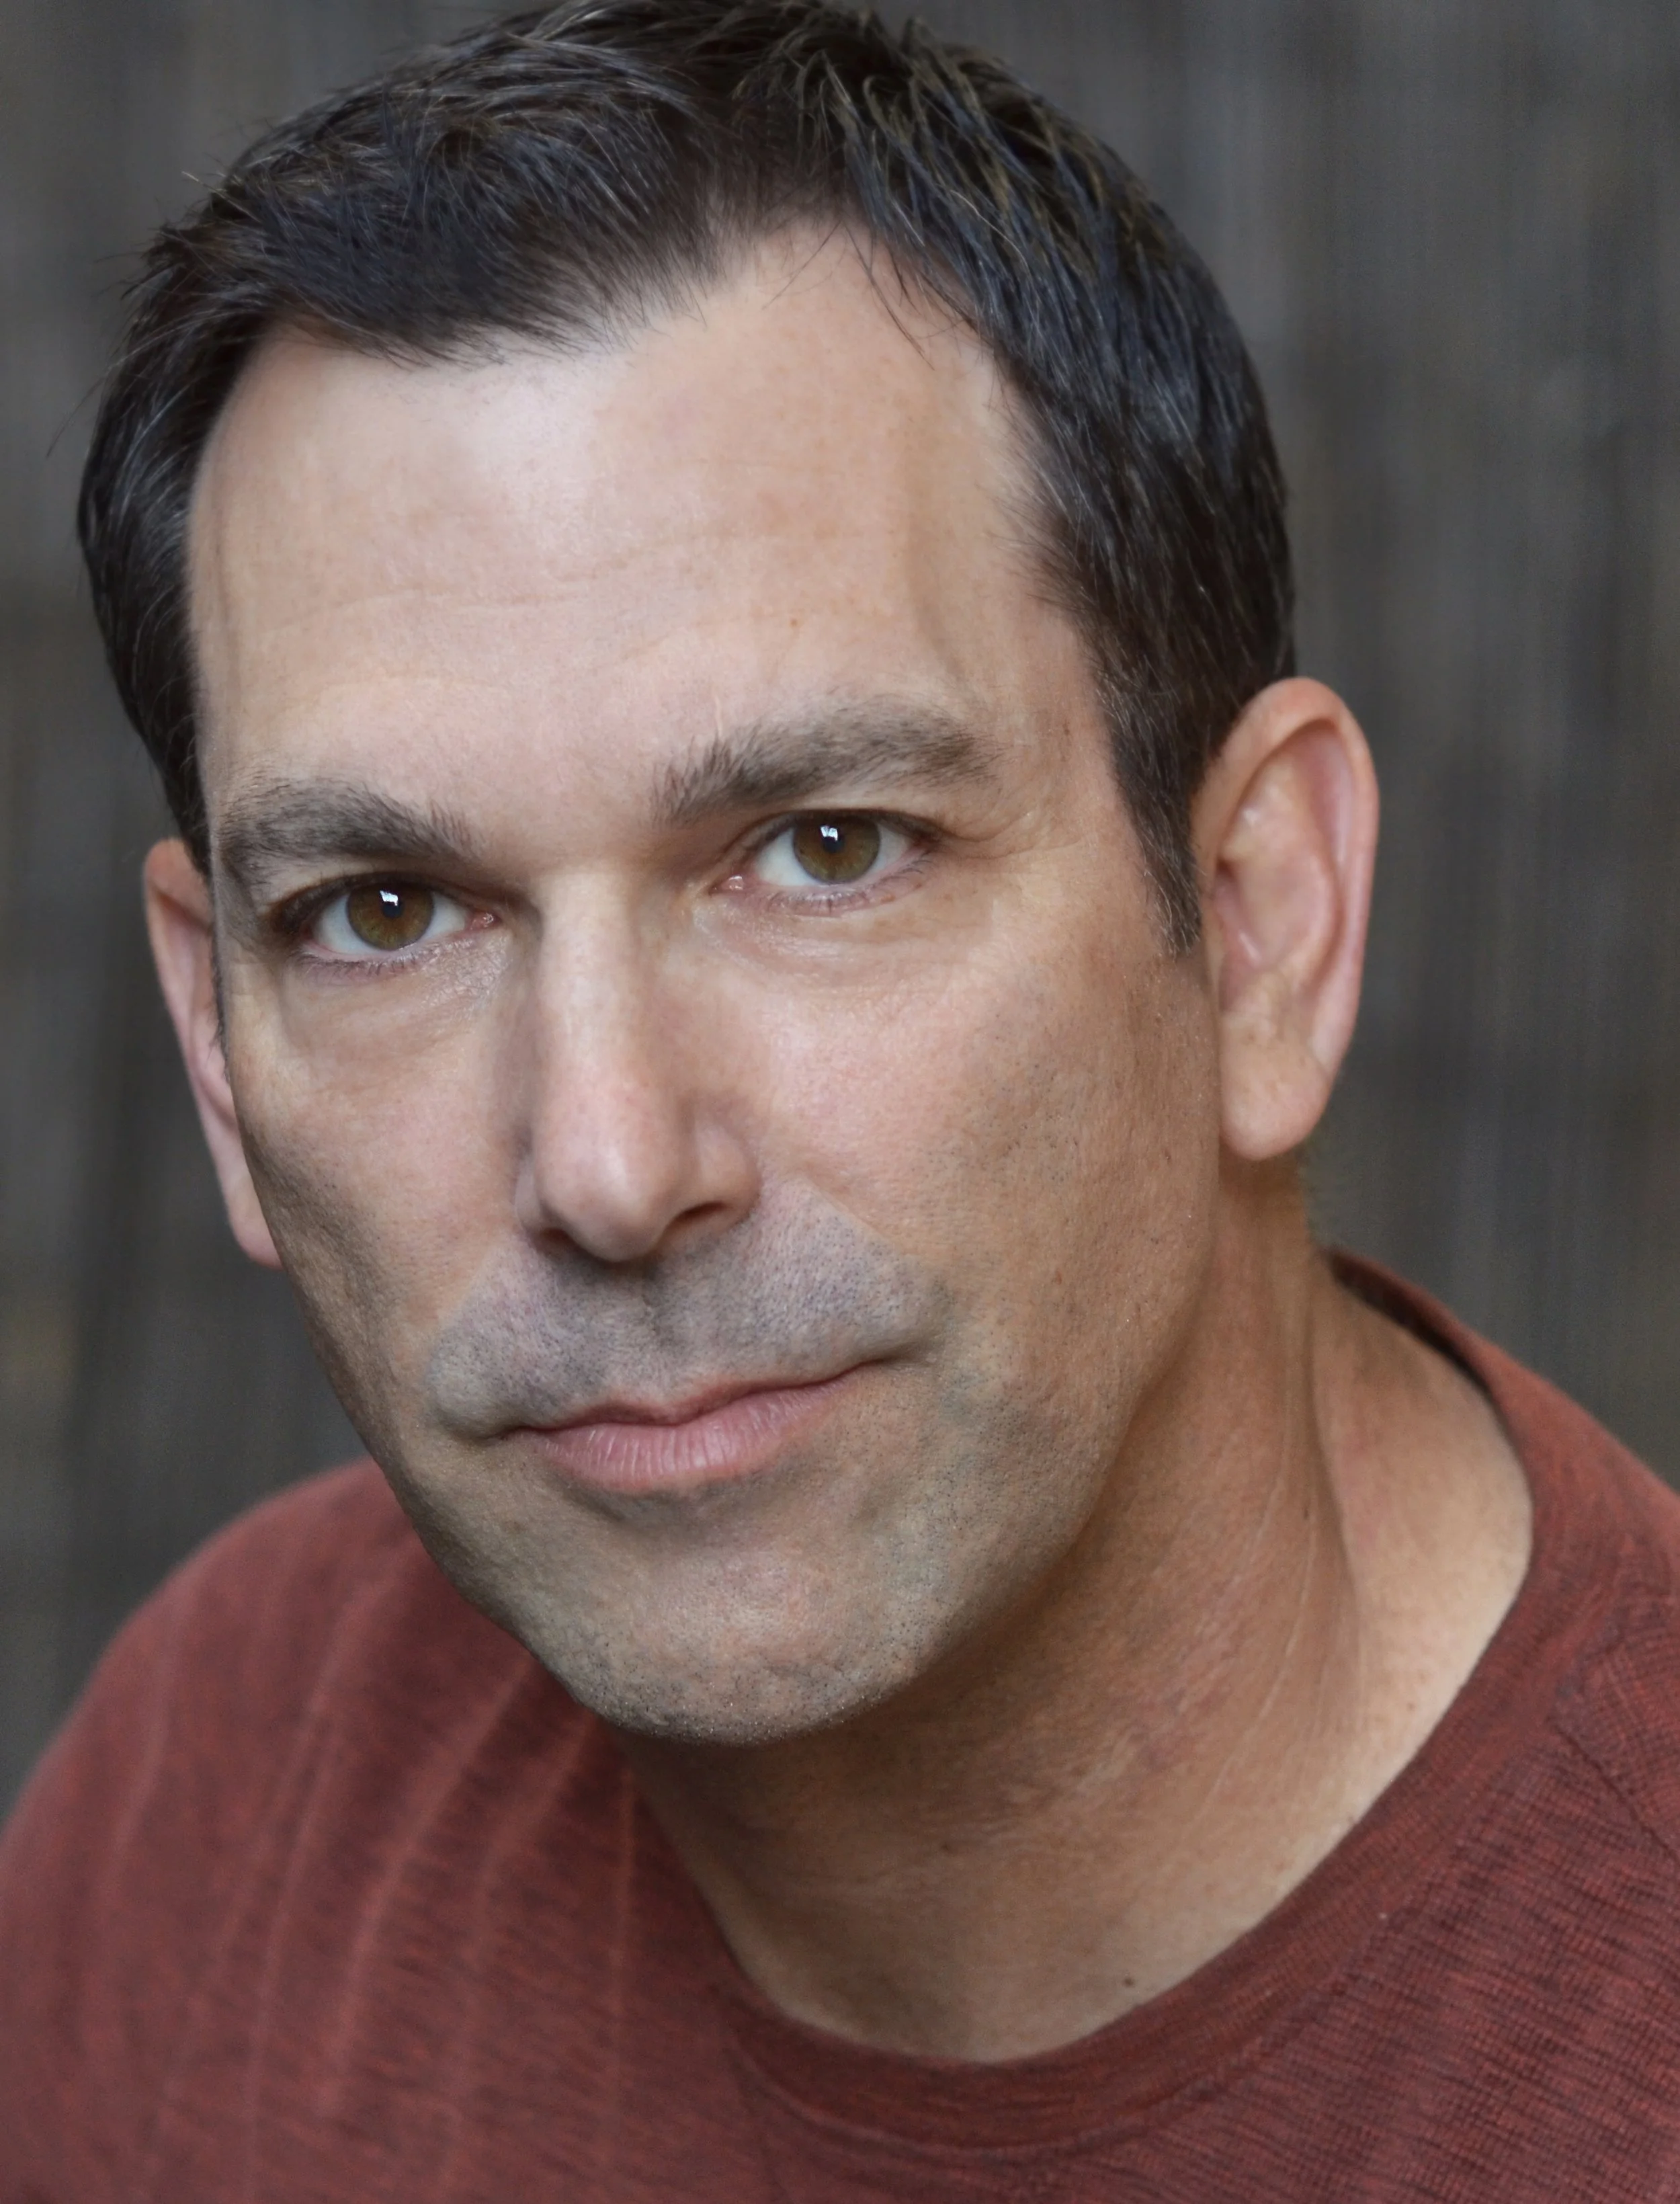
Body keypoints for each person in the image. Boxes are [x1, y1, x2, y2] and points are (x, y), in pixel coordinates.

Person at [3, 2, 1677, 2195]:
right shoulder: (232, 1782)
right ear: (220, 1052)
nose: (611, 1161)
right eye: (385, 911)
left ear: (1257, 919)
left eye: (824, 849)